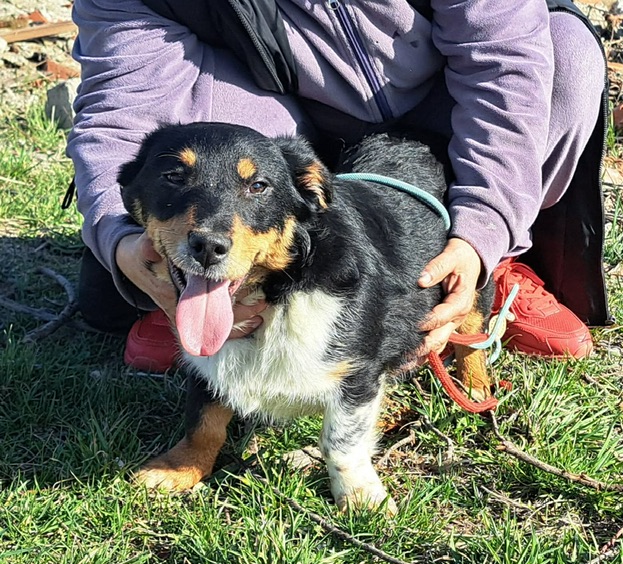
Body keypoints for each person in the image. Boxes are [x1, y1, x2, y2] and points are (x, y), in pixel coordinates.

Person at [67, 0, 611, 373]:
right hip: (279, 128)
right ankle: (197, 285)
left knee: (567, 56)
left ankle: (487, 267)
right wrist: (121, 242)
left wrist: (483, 231)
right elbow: (121, 116)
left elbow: (503, 61)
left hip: (442, 103)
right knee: (206, 135)